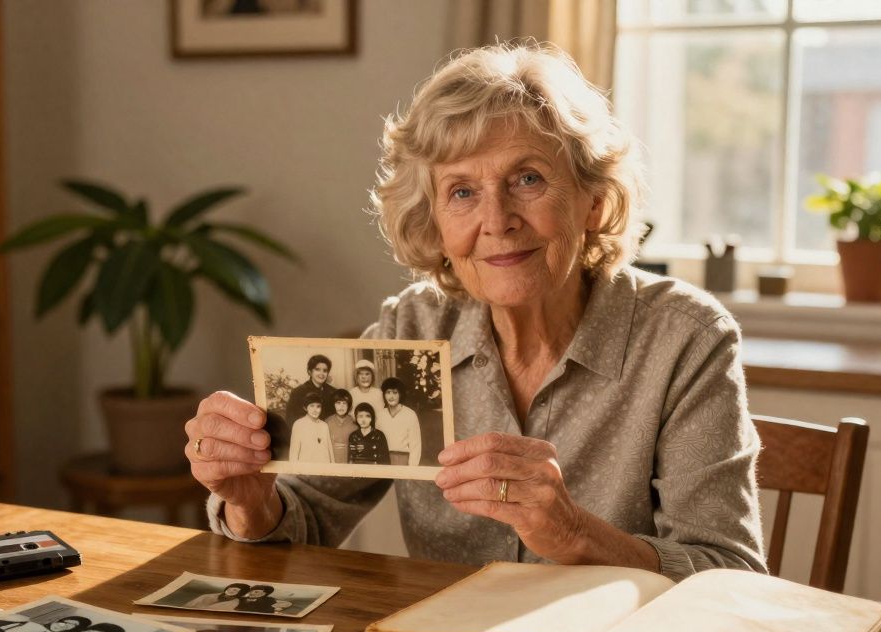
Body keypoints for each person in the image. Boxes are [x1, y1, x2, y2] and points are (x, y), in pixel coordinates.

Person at [185, 42, 766, 580]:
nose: (497, 219)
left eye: (528, 179)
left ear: (592, 200)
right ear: (433, 220)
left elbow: (730, 575)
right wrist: (253, 502)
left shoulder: (686, 338)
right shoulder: (410, 331)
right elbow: (305, 518)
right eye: (462, 192)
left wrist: (573, 533)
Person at [374, 377, 421, 466]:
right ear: (384, 395)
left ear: (400, 394)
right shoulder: (380, 415)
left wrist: (412, 468)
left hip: (403, 459)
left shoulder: (410, 414)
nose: (391, 397)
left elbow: (416, 445)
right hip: (383, 459)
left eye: (395, 393)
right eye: (388, 393)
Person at [284, 355, 335, 427]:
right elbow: (291, 420)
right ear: (310, 372)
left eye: (325, 370)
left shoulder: (332, 392)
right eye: (317, 369)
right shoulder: (298, 392)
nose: (322, 373)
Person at [288, 396, 333, 463]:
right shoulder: (299, 424)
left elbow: (329, 449)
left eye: (318, 406)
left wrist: (332, 466)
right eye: (312, 406)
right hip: (306, 466)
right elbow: (294, 451)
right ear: (305, 408)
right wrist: (295, 469)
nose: (315, 410)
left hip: (323, 465)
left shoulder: (324, 425)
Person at [326, 389, 357, 463]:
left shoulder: (354, 423)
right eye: (338, 403)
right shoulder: (327, 422)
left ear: (349, 405)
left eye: (344, 403)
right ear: (333, 404)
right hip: (332, 462)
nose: (341, 406)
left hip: (350, 462)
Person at [185, 583, 250, 611]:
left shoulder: (234, 603)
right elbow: (187, 606)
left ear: (240, 593)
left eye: (235, 590)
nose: (231, 591)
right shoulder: (206, 596)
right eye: (230, 588)